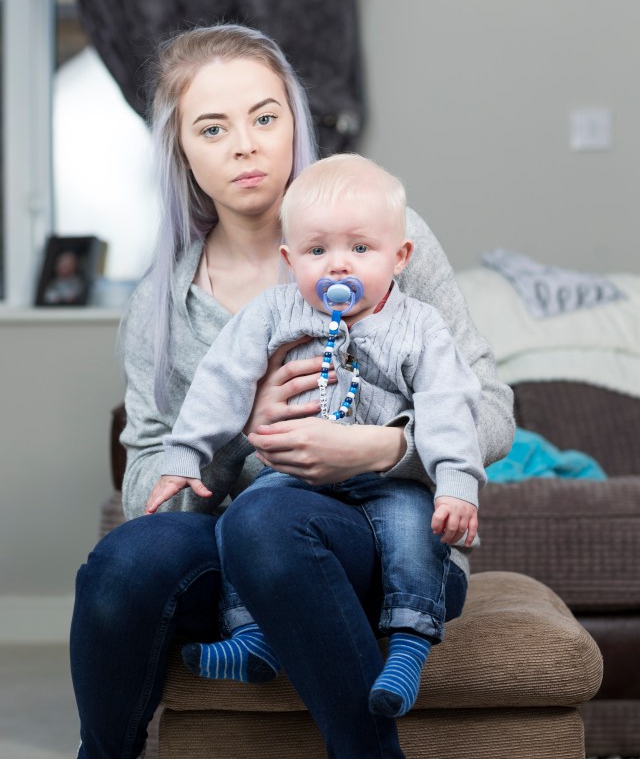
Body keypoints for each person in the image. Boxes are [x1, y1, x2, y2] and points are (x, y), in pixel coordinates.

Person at [45, 24, 514, 759]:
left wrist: (383, 450)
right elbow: (149, 466)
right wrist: (245, 434)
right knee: (122, 561)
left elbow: (491, 404)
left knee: (270, 526)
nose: (245, 144)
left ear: (295, 122)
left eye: (264, 117)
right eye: (212, 127)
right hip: (237, 518)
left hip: (374, 532)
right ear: (180, 150)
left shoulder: (383, 235)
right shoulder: (161, 302)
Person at [146, 153, 486, 720]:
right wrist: (186, 454)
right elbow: (221, 381)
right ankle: (252, 637)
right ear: (289, 258)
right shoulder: (274, 313)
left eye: (360, 248)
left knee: (412, 527)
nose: (337, 267)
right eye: (316, 251)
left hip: (386, 481)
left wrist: (456, 483)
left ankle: (407, 646)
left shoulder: (419, 326)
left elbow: (450, 407)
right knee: (244, 518)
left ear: (400, 256)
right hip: (296, 480)